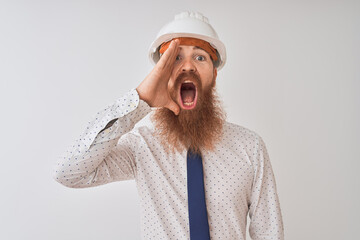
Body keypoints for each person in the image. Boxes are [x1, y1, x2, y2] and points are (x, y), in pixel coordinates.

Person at [53, 11, 284, 240]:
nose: (188, 67)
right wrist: (139, 100)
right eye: (175, 58)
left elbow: (269, 234)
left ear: (214, 74)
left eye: (200, 57)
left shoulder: (250, 147)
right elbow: (68, 173)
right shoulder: (141, 146)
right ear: (161, 74)